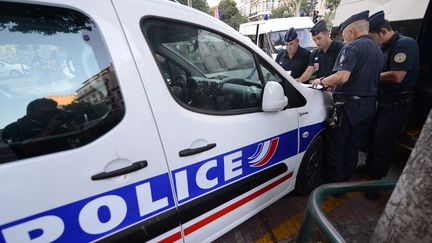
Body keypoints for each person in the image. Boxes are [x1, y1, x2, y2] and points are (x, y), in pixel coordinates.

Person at [311, 11, 383, 183]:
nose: (343, 40)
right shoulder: (377, 49)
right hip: (369, 104)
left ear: (352, 32)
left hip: (349, 106)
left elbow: (342, 76)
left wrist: (321, 80)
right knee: (353, 147)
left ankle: (333, 183)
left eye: (344, 36)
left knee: (336, 145)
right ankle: (345, 180)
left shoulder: (352, 47)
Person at [360, 11, 420, 197]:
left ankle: (375, 183)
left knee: (382, 142)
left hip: (396, 102)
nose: (373, 41)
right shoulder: (384, 46)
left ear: (383, 31)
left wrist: (369, 76)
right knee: (372, 136)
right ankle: (369, 169)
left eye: (373, 37)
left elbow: (397, 75)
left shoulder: (405, 45)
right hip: (382, 99)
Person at [1, 98, 75, 158]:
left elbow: (76, 136)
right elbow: (29, 150)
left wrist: (69, 120)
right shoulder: (13, 129)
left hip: (68, 159)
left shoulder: (54, 123)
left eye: (52, 112)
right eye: (45, 112)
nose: (49, 115)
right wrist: (50, 127)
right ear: (30, 112)